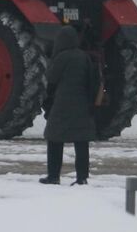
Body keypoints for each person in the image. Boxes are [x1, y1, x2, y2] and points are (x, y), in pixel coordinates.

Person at [40, 26, 98, 185]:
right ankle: (82, 178)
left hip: (62, 104)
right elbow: (91, 80)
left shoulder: (61, 57)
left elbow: (51, 79)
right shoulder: (84, 56)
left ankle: (53, 176)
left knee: (54, 139)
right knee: (81, 142)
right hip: (82, 104)